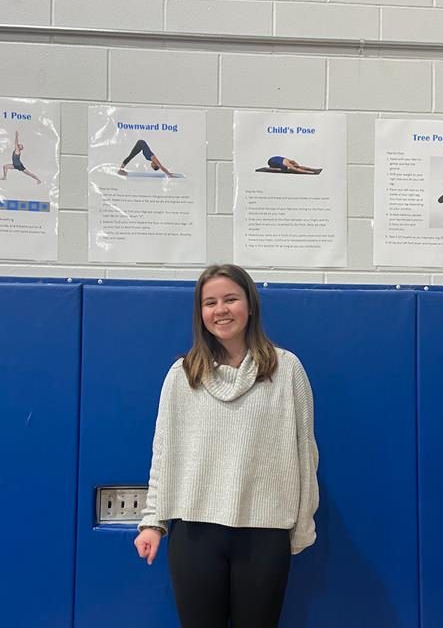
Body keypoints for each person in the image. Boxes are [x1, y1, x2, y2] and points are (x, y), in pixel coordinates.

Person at [133, 264, 319, 628]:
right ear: (200, 314)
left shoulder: (287, 369)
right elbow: (164, 453)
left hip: (265, 533)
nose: (220, 310)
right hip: (195, 533)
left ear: (250, 305)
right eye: (210, 302)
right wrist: (152, 521)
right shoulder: (182, 375)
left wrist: (302, 526)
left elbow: (304, 453)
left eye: (230, 299)